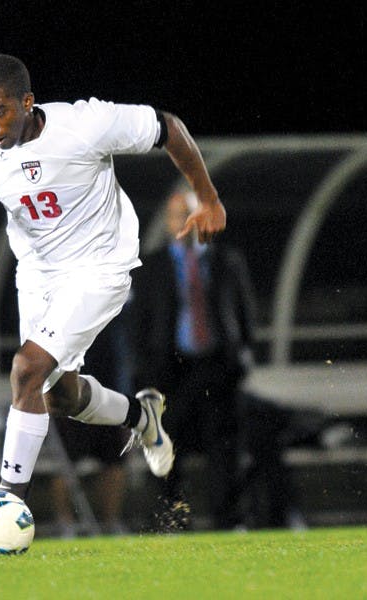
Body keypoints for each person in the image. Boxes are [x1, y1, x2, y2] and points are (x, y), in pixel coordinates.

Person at [0, 54, 226, 550]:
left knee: (26, 369)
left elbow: (168, 128)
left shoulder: (84, 124)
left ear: (28, 103)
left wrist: (208, 198)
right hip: (38, 276)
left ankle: (2, 508)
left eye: (0, 112)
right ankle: (143, 418)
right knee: (59, 397)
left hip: (100, 267)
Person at [131, 189, 255, 531]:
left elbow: (244, 315)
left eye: (189, 214)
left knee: (225, 449)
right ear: (169, 223)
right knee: (168, 449)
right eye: (176, 215)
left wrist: (241, 357)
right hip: (171, 372)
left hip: (217, 366)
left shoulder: (226, 260)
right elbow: (140, 324)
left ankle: (229, 521)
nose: (182, 223)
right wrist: (145, 372)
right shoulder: (150, 268)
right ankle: (173, 520)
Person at [50, 314, 132, 537]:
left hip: (107, 388)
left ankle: (111, 521)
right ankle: (65, 523)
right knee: (66, 461)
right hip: (69, 393)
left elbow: (120, 351)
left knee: (114, 458)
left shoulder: (111, 298)